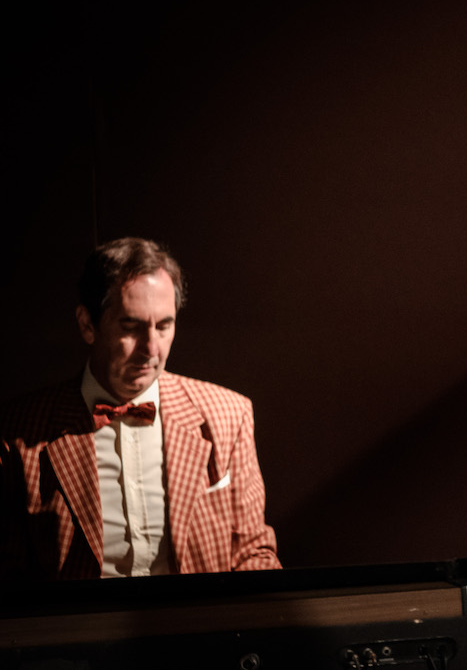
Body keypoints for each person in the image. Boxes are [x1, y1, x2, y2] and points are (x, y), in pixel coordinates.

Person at [1, 237, 280, 580]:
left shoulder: (228, 414)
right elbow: (9, 577)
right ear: (87, 324)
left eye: (164, 326)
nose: (151, 349)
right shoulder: (18, 430)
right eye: (131, 327)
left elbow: (252, 551)